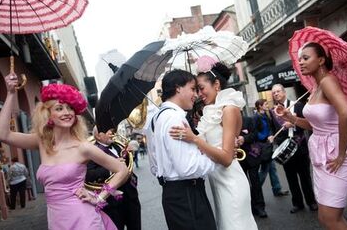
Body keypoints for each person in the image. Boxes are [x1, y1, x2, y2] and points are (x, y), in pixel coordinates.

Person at [0, 73, 129, 230]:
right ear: (48, 114)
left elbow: (122, 170)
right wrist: (11, 93)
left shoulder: (83, 147)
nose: (67, 113)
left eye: (70, 108)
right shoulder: (42, 142)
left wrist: (99, 197)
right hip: (56, 219)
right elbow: (2, 134)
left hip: (83, 219)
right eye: (59, 108)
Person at [275, 42, 347, 229]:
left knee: (332, 218)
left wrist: (341, 153)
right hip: (322, 153)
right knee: (325, 217)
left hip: (339, 153)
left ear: (321, 60)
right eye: (300, 59)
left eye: (306, 58)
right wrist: (291, 117)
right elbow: (316, 126)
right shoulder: (315, 88)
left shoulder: (328, 82)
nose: (301, 62)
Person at [170, 58, 258, 230]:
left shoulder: (229, 109)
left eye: (201, 88)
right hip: (218, 184)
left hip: (231, 183)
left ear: (216, 84)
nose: (199, 94)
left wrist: (194, 139)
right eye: (196, 89)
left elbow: (226, 158)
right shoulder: (212, 110)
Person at [145, 69, 217, 230]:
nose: (196, 94)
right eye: (192, 89)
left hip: (174, 193)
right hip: (187, 194)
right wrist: (215, 159)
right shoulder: (174, 118)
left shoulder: (156, 118)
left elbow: (155, 165)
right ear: (178, 88)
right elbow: (187, 168)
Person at [270, 84, 317, 213]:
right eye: (274, 93)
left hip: (299, 146)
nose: (276, 94)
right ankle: (297, 203)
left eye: (278, 91)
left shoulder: (297, 105)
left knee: (305, 176)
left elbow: (308, 124)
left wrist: (293, 124)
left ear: (284, 92)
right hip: (284, 148)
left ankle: (311, 201)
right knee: (291, 177)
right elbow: (273, 129)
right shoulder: (272, 111)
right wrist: (272, 137)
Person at [86, 127, 141, 230]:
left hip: (130, 196)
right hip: (112, 202)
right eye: (107, 130)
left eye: (111, 130)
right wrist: (112, 169)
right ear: (98, 136)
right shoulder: (93, 151)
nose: (111, 132)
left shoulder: (117, 146)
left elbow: (127, 165)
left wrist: (127, 154)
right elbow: (89, 174)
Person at [254, 99, 289, 198]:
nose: (267, 105)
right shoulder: (256, 117)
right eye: (265, 104)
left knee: (272, 168)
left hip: (269, 145)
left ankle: (277, 189)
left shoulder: (267, 114)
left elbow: (271, 127)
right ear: (260, 106)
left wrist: (272, 135)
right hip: (262, 146)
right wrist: (266, 137)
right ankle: (255, 192)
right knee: (264, 170)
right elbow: (255, 133)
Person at [237, 115, 268, 218]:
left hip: (251, 156)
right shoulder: (226, 122)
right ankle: (249, 208)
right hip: (238, 158)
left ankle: (260, 207)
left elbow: (255, 135)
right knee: (243, 185)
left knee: (255, 183)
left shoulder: (248, 120)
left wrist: (244, 138)